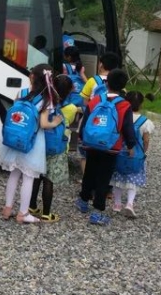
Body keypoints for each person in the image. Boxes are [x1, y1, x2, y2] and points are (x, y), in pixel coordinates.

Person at [76, 67, 136, 226]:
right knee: (103, 178)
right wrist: (131, 145)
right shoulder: (124, 105)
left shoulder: (95, 100)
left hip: (91, 143)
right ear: (123, 86)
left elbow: (86, 120)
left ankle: (83, 201)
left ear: (106, 83)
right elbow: (128, 128)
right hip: (111, 146)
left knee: (89, 172)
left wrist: (82, 137)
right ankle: (97, 212)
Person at [0, 64, 55, 224]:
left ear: (32, 77)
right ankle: (23, 213)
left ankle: (7, 208)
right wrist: (56, 121)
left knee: (14, 174)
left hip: (16, 138)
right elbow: (43, 124)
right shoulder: (46, 99)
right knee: (28, 177)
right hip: (33, 142)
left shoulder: (22, 92)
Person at [29, 74, 78, 223]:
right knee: (48, 180)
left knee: (37, 176)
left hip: (40, 144)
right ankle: (46, 213)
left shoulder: (45, 102)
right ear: (68, 91)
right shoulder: (70, 108)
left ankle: (32, 206)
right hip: (55, 148)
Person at [111, 90, 153, 218]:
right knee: (133, 179)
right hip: (136, 155)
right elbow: (146, 140)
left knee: (117, 178)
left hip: (119, 152)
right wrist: (144, 151)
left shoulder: (120, 116)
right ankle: (129, 203)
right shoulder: (145, 122)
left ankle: (117, 204)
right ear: (141, 104)